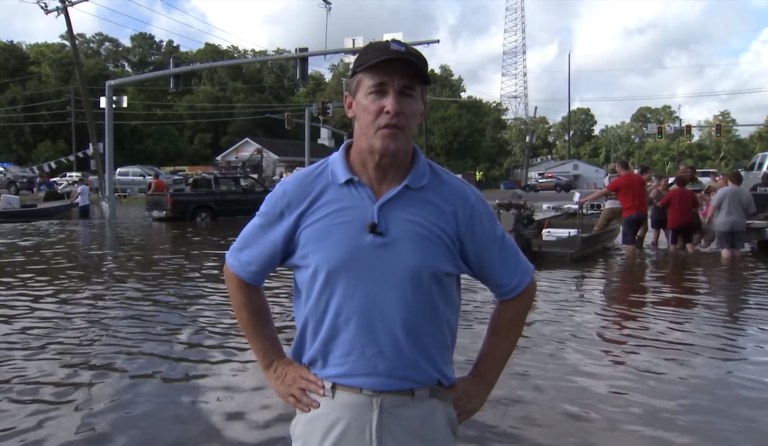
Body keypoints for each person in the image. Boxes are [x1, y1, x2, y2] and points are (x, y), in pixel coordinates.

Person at [222, 39, 537, 446]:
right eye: (378, 91)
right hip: (328, 410)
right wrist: (274, 364)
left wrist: (480, 381)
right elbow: (240, 273)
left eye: (407, 94)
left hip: (423, 416)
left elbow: (518, 288)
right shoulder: (299, 193)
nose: (392, 105)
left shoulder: (457, 201)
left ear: (422, 109)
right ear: (350, 103)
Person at [579, 159, 647, 258]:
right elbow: (646, 194)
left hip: (629, 214)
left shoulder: (618, 181)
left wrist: (584, 199)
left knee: (628, 243)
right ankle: (640, 259)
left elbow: (602, 193)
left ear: (619, 166)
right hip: (642, 214)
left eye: (616, 167)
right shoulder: (639, 178)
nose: (616, 169)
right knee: (633, 237)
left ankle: (630, 267)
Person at [705, 170, 757, 260]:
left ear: (729, 180)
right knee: (737, 248)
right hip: (739, 225)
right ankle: (736, 269)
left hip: (723, 224)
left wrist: (708, 218)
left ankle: (726, 269)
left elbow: (713, 206)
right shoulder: (747, 194)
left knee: (725, 248)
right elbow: (751, 211)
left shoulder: (722, 191)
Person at [658, 175, 699, 253]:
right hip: (687, 221)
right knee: (688, 242)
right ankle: (693, 260)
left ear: (676, 183)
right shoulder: (690, 193)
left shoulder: (671, 193)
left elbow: (661, 204)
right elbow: (696, 206)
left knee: (673, 243)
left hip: (674, 221)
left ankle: (672, 261)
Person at [592, 163, 622, 232]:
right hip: (622, 206)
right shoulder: (622, 177)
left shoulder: (606, 179)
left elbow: (605, 193)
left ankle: (593, 239)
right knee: (627, 227)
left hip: (610, 205)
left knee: (598, 228)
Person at [648, 175, 670, 248]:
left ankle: (670, 250)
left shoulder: (669, 191)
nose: (666, 183)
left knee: (668, 235)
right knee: (656, 234)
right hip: (656, 215)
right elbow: (649, 201)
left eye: (667, 181)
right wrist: (656, 203)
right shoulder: (656, 191)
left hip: (667, 216)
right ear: (660, 182)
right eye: (664, 181)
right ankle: (654, 250)